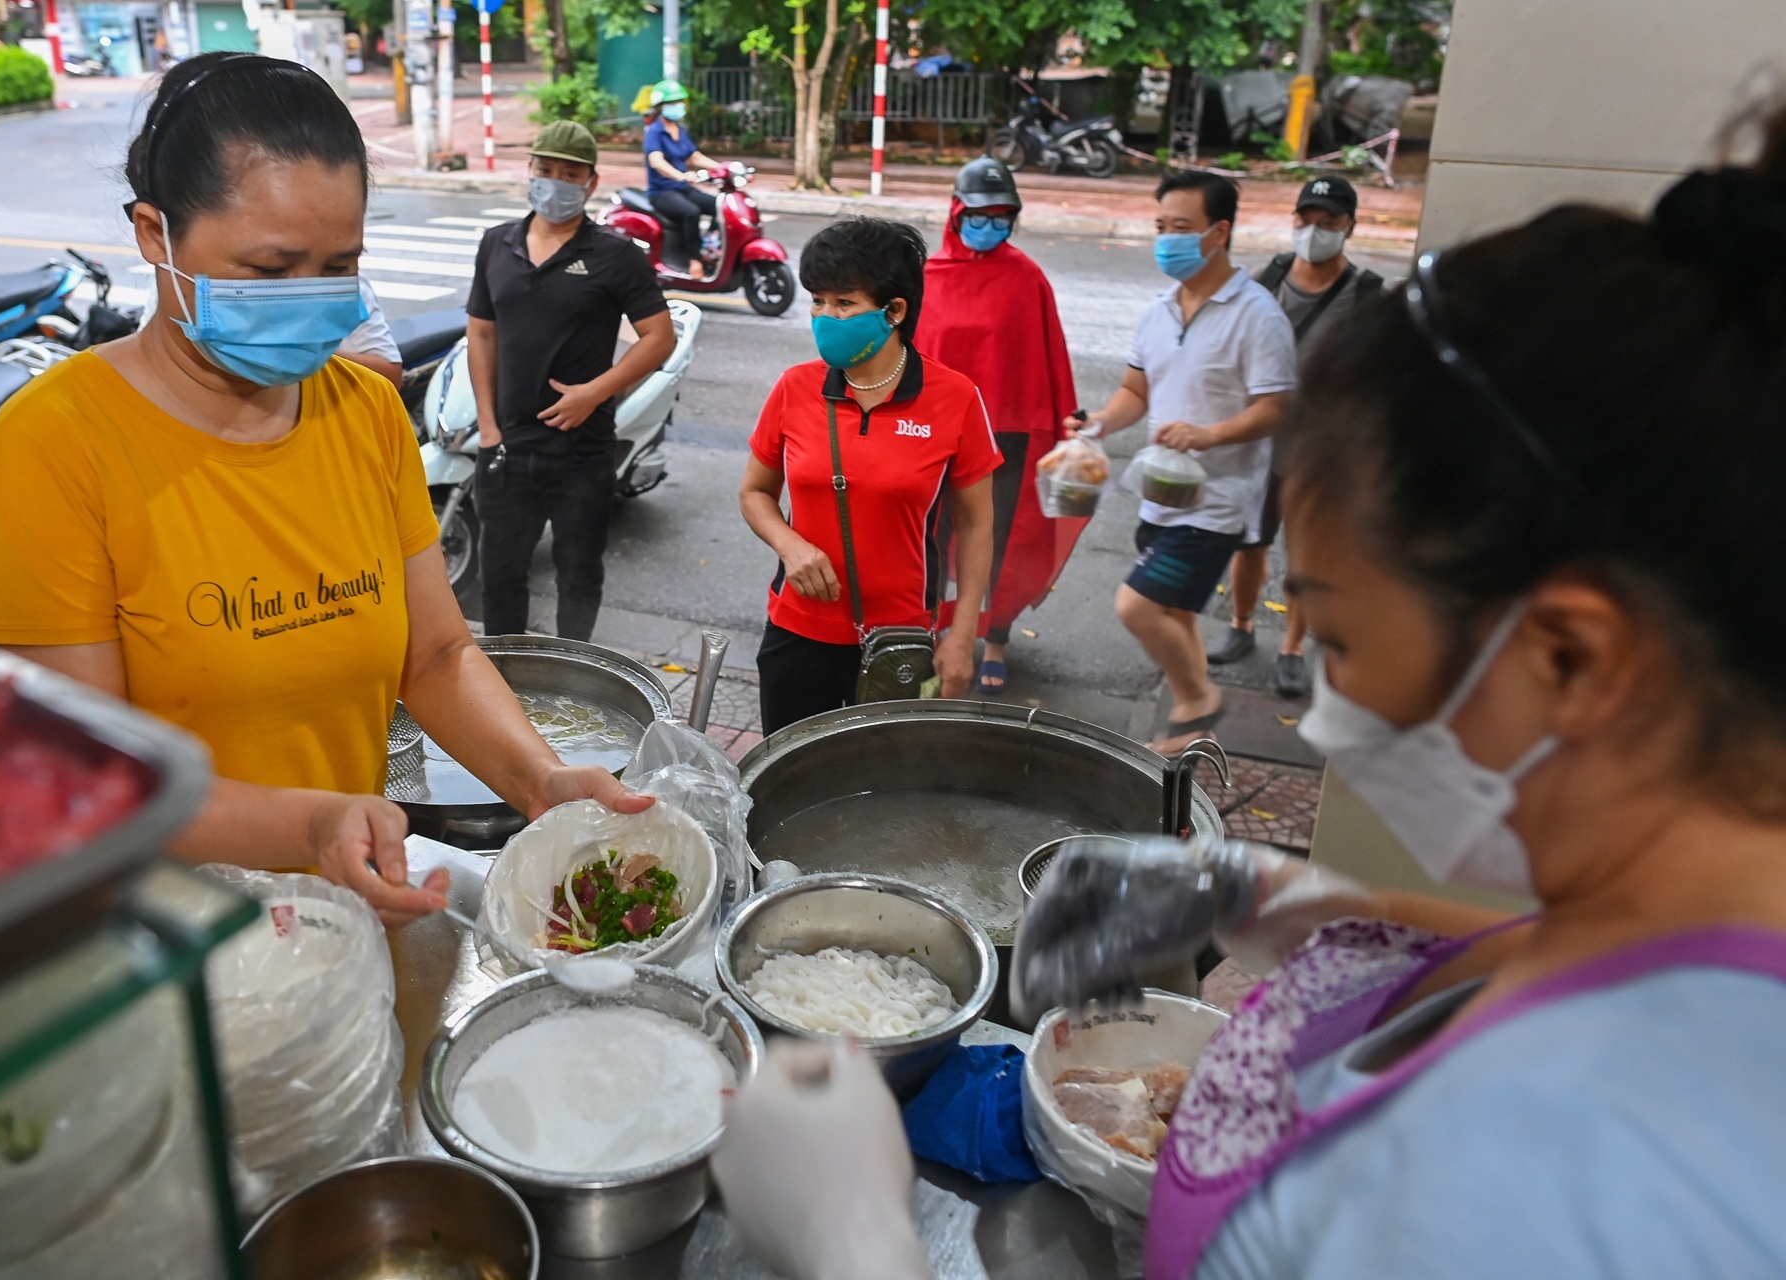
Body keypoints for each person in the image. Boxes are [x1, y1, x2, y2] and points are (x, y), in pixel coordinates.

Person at [716, 106, 1786, 1278]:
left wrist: (858, 1246)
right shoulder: (1667, 939)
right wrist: (1281, 904)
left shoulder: (1605, 1181)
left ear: (1570, 658)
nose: (1324, 699)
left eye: (1341, 632)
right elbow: (1574, 963)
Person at [0, 54, 648, 926]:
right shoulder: (52, 448)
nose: (310, 299)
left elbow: (435, 656)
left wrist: (540, 781)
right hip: (164, 938)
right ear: (154, 234)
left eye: (337, 264)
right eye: (270, 268)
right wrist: (311, 827)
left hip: (340, 920)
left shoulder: (363, 411)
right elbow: (86, 780)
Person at [740, 217, 998, 734]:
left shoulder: (956, 398)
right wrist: (790, 546)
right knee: (791, 772)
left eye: (844, 303)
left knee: (882, 778)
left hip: (900, 639)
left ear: (894, 310)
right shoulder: (794, 388)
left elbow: (976, 525)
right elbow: (754, 493)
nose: (824, 317)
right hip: (798, 632)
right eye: (817, 301)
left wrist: (962, 634)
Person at [1077, 170, 1296, 751]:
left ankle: (1200, 700)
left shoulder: (1257, 315)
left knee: (1138, 606)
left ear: (1218, 232)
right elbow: (1136, 390)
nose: (1166, 239)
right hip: (1160, 493)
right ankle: (1192, 729)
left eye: (1181, 227)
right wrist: (1098, 424)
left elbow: (1278, 407)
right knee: (1176, 614)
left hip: (1217, 504)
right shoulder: (1159, 311)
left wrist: (1209, 434)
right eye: (1160, 227)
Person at [466, 120, 674, 641]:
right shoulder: (496, 244)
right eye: (546, 170)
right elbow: (482, 334)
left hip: (581, 453)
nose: (555, 183)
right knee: (500, 579)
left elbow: (659, 337)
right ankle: (506, 677)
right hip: (507, 449)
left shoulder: (615, 255)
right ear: (530, 170)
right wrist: (488, 428)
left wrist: (595, 393)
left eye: (570, 174)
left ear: (591, 182)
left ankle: (573, 676)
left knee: (578, 578)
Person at [1211, 174, 1384, 697]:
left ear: (1349, 226)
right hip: (1258, 438)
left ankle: (1292, 646)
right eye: (1306, 219)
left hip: (1319, 448)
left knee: (1307, 552)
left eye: (1328, 222)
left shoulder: (1366, 293)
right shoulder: (1270, 276)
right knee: (1250, 542)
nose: (1314, 231)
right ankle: (1241, 625)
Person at [916, 157, 1083, 694]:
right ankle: (930, 630)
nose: (989, 226)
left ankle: (996, 638)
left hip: (1008, 431)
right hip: (939, 431)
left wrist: (1065, 419)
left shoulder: (1027, 277)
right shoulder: (928, 276)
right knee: (932, 536)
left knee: (1000, 539)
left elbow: (1049, 356)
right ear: (955, 212)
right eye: (979, 216)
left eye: (1001, 217)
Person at [140, 273, 403, 388]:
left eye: (338, 265)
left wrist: (308, 352)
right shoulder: (178, 286)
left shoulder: (342, 286)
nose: (304, 277)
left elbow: (388, 375)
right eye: (269, 267)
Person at [642, 79, 721, 277]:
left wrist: (723, 168)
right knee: (691, 212)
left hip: (682, 188)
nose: (678, 106)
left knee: (720, 206)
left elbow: (694, 157)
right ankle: (694, 260)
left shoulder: (681, 130)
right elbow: (656, 162)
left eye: (679, 101)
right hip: (662, 192)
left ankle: (709, 248)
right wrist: (680, 175)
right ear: (661, 106)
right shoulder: (654, 132)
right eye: (672, 102)